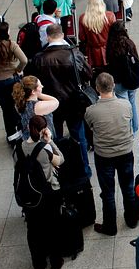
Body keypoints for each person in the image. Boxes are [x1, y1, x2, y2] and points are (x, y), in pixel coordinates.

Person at [24, 24, 92, 177]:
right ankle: (85, 170)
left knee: (54, 137)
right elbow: (88, 74)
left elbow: (31, 81)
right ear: (62, 35)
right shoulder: (74, 54)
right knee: (79, 136)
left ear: (48, 37)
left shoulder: (39, 58)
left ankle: (61, 170)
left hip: (50, 106)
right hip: (74, 102)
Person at [84, 72, 137, 236]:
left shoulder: (91, 111)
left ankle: (110, 227)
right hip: (126, 153)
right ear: (113, 85)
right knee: (128, 188)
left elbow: (90, 128)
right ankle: (131, 220)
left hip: (104, 156)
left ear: (97, 88)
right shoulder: (126, 105)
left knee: (108, 193)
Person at [18, 114, 66, 269]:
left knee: (33, 230)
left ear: (28, 128)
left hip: (29, 194)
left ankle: (38, 263)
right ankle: (55, 261)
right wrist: (50, 140)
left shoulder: (19, 148)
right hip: (47, 194)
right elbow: (61, 160)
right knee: (53, 228)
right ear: (44, 130)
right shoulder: (45, 148)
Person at [0, 21, 28, 142]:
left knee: (6, 109)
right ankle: (20, 126)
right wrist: (18, 70)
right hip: (11, 80)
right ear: (5, 32)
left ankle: (11, 134)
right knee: (13, 107)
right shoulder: (11, 45)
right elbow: (24, 60)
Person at [105, 21, 139, 132]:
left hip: (119, 82)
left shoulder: (111, 46)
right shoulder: (129, 43)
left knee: (125, 106)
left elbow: (109, 62)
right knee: (132, 102)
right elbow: (137, 60)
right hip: (132, 79)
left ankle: (129, 130)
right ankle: (135, 128)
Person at [79, 0, 117, 70]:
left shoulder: (83, 18)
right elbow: (115, 35)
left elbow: (82, 37)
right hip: (108, 51)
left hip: (91, 53)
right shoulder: (110, 16)